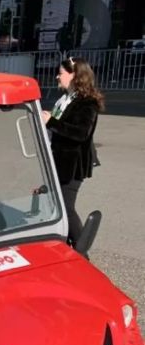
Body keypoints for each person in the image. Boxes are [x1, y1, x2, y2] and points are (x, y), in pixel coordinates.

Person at [41, 57, 104, 247]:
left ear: (74, 75)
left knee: (66, 208)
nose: (57, 77)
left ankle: (81, 249)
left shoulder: (87, 102)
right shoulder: (64, 99)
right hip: (59, 161)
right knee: (56, 206)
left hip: (73, 164)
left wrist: (51, 121)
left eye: (61, 73)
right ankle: (63, 243)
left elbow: (80, 133)